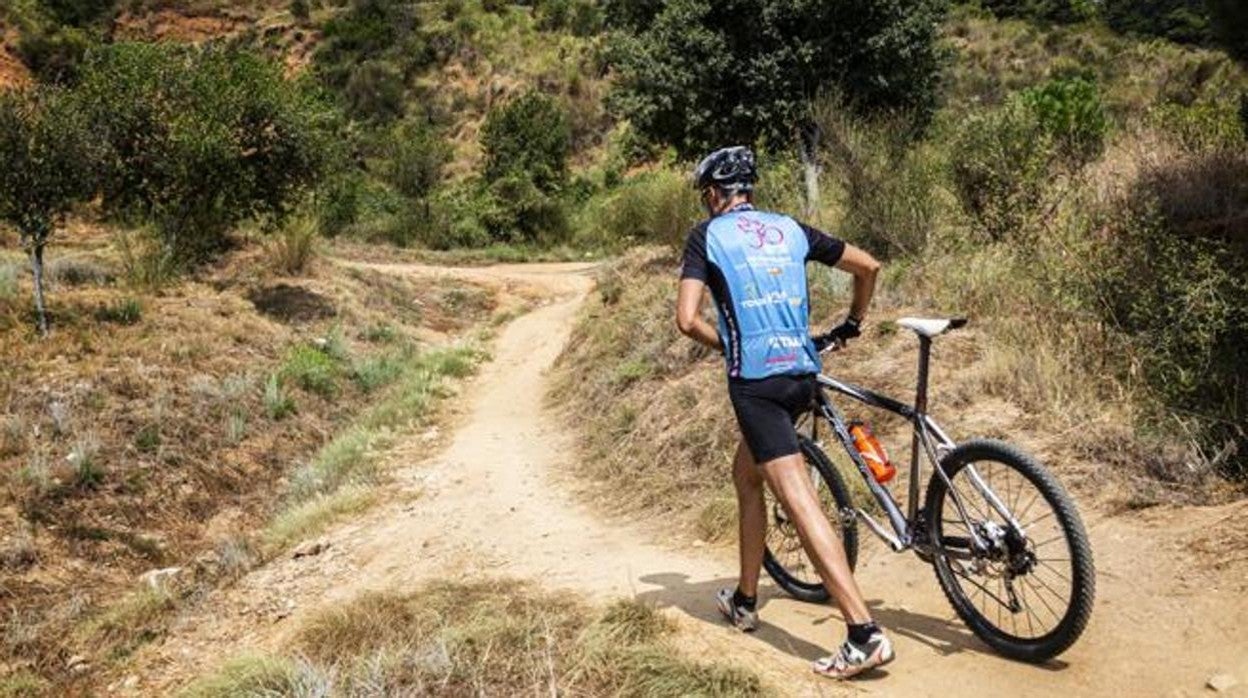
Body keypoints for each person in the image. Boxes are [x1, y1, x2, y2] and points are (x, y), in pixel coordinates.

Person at [675, 146, 891, 679]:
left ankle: (863, 632)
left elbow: (686, 319)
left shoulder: (707, 237)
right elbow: (868, 266)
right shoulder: (789, 229)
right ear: (748, 191)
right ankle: (746, 599)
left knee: (797, 499)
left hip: (757, 385)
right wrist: (852, 324)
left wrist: (727, 344)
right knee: (745, 475)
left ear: (711, 195)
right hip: (802, 374)